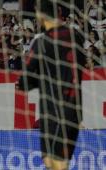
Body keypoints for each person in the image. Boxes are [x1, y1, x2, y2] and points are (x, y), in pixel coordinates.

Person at [16, 0, 86, 170]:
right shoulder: (76, 36)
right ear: (59, 12)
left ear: (40, 17)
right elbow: (82, 62)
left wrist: (29, 83)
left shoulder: (42, 41)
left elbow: (25, 79)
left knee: (54, 162)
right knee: (55, 162)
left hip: (54, 109)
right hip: (75, 108)